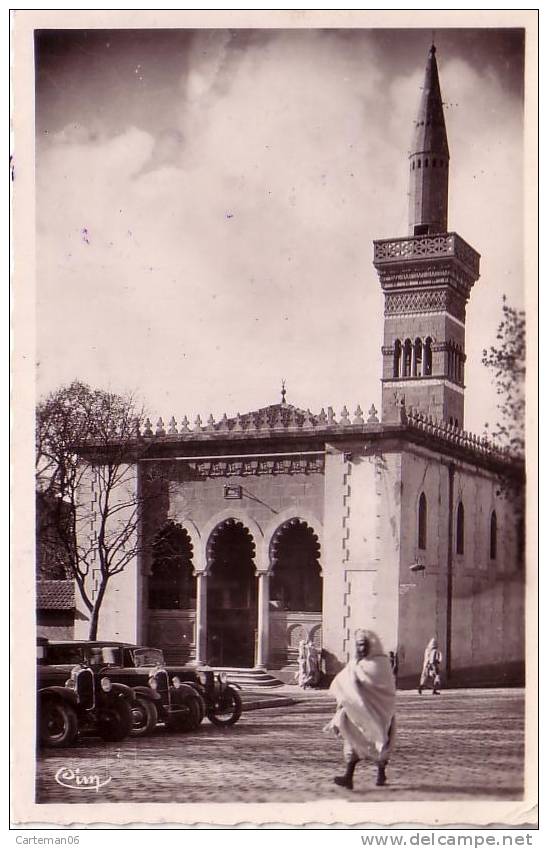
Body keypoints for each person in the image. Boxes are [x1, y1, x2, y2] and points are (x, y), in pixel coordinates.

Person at [325, 629, 396, 790]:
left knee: (380, 741)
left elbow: (387, 690)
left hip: (379, 711)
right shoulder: (354, 663)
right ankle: (348, 777)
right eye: (358, 645)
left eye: (364, 645)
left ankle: (381, 773)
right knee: (352, 741)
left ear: (371, 645)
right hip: (358, 711)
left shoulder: (381, 664)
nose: (361, 649)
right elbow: (345, 683)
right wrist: (344, 701)